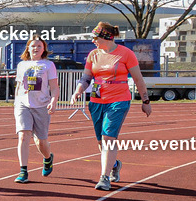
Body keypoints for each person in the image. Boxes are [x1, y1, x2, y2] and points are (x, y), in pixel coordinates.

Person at [70, 22, 151, 190]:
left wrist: (145, 101)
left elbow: (138, 79)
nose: (93, 41)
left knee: (108, 138)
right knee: (101, 141)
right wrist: (78, 91)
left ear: (106, 38)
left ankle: (104, 177)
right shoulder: (93, 54)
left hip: (118, 101)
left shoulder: (125, 54)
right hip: (97, 101)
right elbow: (86, 78)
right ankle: (114, 165)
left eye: (95, 38)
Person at [13, 37, 58, 183]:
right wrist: (16, 102)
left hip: (41, 105)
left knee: (41, 142)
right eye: (33, 46)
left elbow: (54, 87)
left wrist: (53, 101)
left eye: (39, 46)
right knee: (23, 136)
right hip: (23, 104)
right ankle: (23, 171)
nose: (36, 48)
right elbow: (19, 86)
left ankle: (47, 157)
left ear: (43, 49)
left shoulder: (48, 65)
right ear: (28, 48)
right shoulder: (21, 65)